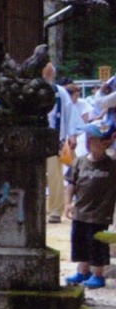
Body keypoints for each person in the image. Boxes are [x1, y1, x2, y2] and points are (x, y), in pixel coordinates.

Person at [64, 122, 116, 289]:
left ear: (105, 142)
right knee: (80, 243)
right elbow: (71, 183)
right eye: (88, 138)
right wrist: (68, 203)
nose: (88, 142)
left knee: (97, 245)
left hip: (100, 214)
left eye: (93, 139)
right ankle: (83, 271)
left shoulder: (112, 164)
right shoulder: (79, 162)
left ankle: (98, 274)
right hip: (80, 212)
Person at [44, 61, 83, 223]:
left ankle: (55, 210)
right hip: (35, 137)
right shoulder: (30, 91)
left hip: (55, 137)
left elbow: (70, 114)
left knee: (54, 175)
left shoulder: (60, 92)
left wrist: (72, 135)